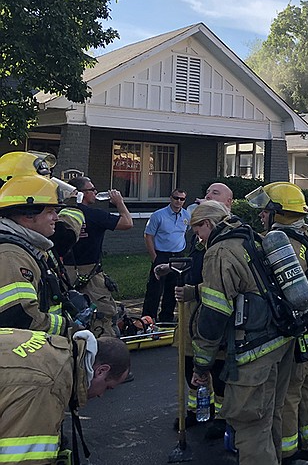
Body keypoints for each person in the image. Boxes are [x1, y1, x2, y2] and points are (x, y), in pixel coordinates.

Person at [189, 200, 294, 465]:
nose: (197, 238)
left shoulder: (219, 252)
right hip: (281, 344)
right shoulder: (252, 239)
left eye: (197, 230)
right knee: (270, 418)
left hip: (253, 352)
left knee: (250, 428)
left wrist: (201, 366)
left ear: (209, 224)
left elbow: (213, 316)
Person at [252, 182, 308, 465]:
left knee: (288, 392)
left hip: (300, 331)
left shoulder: (281, 243)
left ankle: (288, 454)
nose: (262, 216)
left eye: (266, 211)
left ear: (279, 212)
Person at [0, 328, 130, 465]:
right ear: (101, 371)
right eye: (107, 388)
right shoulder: (49, 386)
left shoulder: (55, 347)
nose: (101, 395)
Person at [167, 183, 233, 438]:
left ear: (229, 202)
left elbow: (223, 283)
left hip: (213, 308)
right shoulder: (198, 236)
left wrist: (196, 291)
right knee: (188, 360)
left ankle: (222, 416)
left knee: (216, 365)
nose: (207, 195)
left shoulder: (228, 239)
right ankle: (196, 410)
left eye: (215, 193)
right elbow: (193, 264)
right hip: (191, 308)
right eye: (206, 193)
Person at [0, 174, 72, 335]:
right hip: (24, 357)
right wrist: (69, 327)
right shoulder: (11, 256)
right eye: (50, 211)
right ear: (28, 214)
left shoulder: (26, 248)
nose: (56, 217)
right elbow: (20, 317)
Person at [64, 176, 133, 337]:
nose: (95, 192)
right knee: (102, 315)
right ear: (80, 193)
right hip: (91, 277)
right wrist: (119, 202)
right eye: (91, 190)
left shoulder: (59, 214)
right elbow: (127, 223)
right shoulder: (95, 215)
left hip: (65, 275)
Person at [142, 188, 190, 322]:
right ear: (170, 198)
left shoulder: (187, 216)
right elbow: (148, 236)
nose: (178, 201)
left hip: (178, 255)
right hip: (161, 254)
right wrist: (154, 257)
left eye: (182, 199)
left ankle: (166, 319)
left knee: (173, 289)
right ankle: (148, 319)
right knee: (154, 290)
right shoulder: (158, 215)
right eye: (176, 198)